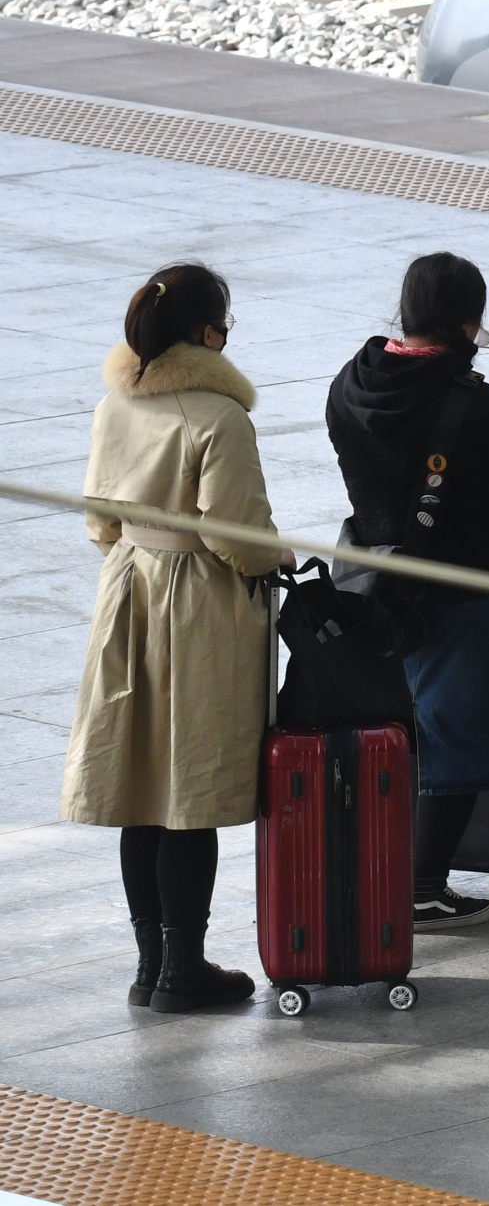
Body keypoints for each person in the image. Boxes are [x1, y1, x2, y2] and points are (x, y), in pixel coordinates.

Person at [325, 252, 489, 929]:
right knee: (464, 742)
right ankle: (421, 886)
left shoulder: (351, 384)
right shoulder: (482, 409)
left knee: (397, 735)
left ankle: (385, 870)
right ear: (470, 324)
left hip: (373, 585)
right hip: (462, 593)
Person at [63, 264, 275, 1015]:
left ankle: (150, 965)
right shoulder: (219, 418)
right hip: (195, 609)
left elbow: (99, 520)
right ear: (206, 333)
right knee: (189, 788)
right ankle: (185, 967)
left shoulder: (115, 403)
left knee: (140, 783)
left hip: (128, 590)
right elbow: (237, 537)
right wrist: (274, 558)